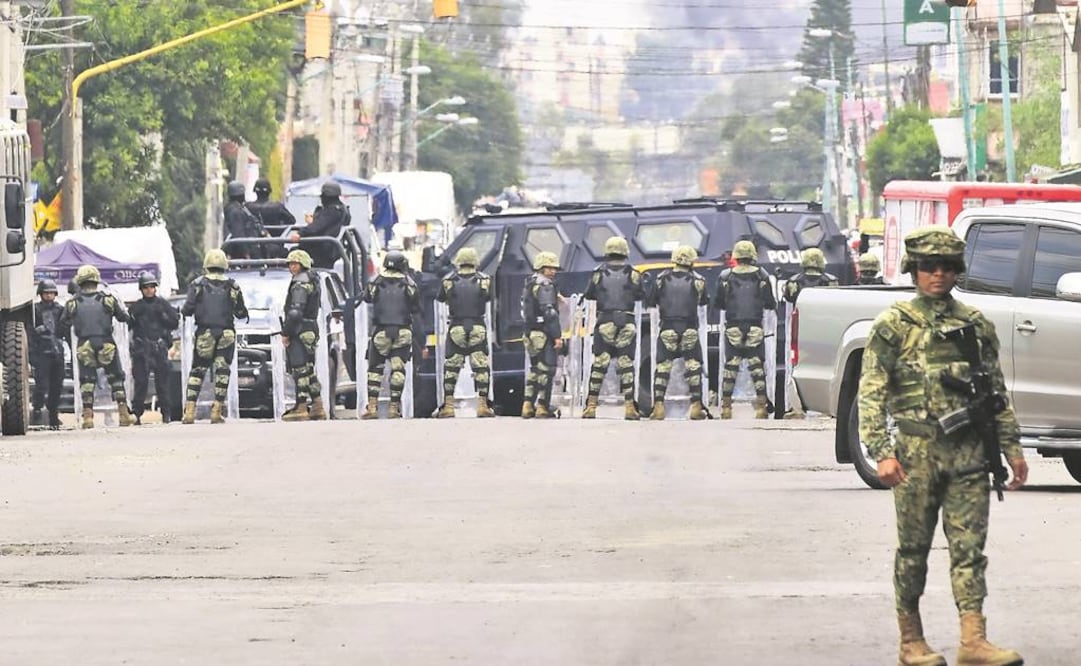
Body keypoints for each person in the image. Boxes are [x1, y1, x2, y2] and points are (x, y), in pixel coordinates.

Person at [858, 227, 1027, 666]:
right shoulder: (893, 325)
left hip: (969, 456)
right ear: (913, 271)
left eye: (947, 267)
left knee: (969, 550)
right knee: (913, 549)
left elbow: (995, 393)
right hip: (915, 456)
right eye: (929, 267)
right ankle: (910, 639)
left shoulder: (974, 325)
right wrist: (882, 451)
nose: (937, 274)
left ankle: (974, 640)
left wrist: (1012, 448)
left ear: (957, 272)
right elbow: (871, 392)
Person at [59, 264, 135, 429]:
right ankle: (124, 414)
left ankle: (88, 418)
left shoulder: (72, 303)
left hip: (84, 343)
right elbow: (124, 318)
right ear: (96, 279)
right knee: (116, 378)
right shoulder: (108, 299)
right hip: (106, 342)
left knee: (87, 381)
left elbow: (62, 323)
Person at [180, 249, 249, 425]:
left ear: (207, 265)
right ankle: (217, 411)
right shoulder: (233, 286)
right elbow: (241, 312)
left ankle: (189, 412)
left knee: (197, 370)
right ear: (224, 265)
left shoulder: (197, 284)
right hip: (226, 333)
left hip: (205, 333)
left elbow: (187, 309)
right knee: (223, 371)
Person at [581, 236, 645, 420]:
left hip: (605, 320)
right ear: (625, 251)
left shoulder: (598, 273)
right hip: (627, 320)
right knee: (626, 364)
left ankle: (591, 407)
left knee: (600, 364)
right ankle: (630, 408)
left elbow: (589, 294)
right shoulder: (633, 273)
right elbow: (640, 294)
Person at [714, 240, 776, 420]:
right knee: (757, 368)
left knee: (730, 368)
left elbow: (718, 303)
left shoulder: (725, 276)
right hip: (755, 326)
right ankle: (761, 408)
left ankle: (726, 408)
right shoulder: (762, 276)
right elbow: (770, 302)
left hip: (733, 326)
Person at [647, 245, 708, 421]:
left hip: (667, 328)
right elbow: (703, 301)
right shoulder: (699, 280)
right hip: (689, 328)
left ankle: (658, 407)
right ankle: (696, 407)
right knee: (693, 366)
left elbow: (651, 301)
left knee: (663, 367)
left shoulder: (661, 279)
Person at [435, 247, 495, 418]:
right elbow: (489, 298)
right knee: (481, 366)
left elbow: (440, 298)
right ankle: (482, 405)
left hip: (456, 326)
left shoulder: (448, 280)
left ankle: (448, 406)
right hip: (477, 325)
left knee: (452, 368)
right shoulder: (485, 280)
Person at [361, 250, 421, 419]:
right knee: (398, 369)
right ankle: (394, 407)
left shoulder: (376, 282)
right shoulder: (410, 283)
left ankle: (372, 407)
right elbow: (416, 306)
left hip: (381, 331)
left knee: (375, 369)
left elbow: (366, 298)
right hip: (403, 331)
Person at [280, 249, 326, 422]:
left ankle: (301, 406)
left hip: (300, 329)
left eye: (295, 264)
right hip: (311, 327)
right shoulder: (313, 279)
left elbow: (295, 312)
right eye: (290, 264)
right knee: (308, 369)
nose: (292, 267)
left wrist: (286, 333)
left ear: (303, 264)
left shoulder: (300, 282)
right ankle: (317, 405)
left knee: (299, 369)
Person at [128, 271, 180, 425]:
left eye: (152, 287)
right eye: (146, 287)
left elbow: (174, 322)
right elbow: (128, 325)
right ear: (141, 289)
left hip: (159, 348)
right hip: (142, 350)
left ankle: (166, 414)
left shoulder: (162, 304)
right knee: (141, 384)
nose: (149, 290)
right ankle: (136, 414)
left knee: (163, 384)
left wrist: (164, 316)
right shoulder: (137, 307)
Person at [520, 251, 563, 419]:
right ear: (541, 267)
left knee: (534, 369)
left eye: (554, 268)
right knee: (547, 370)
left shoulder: (530, 283)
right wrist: (557, 336)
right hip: (544, 333)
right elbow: (549, 313)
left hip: (530, 333)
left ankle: (527, 405)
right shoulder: (545, 285)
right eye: (549, 268)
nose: (553, 271)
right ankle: (542, 406)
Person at [29, 279, 66, 429]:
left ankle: (53, 416)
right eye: (46, 293)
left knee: (57, 386)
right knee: (41, 385)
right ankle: (37, 409)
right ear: (41, 294)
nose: (49, 295)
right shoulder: (34, 310)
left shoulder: (60, 309)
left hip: (57, 351)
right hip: (42, 352)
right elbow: (30, 333)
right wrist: (32, 355)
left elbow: (64, 329)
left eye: (51, 293)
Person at [289, 181, 350, 269]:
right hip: (328, 249)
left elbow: (317, 227)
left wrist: (300, 233)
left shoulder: (332, 211)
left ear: (326, 196)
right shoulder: (341, 209)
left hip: (321, 250)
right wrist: (313, 221)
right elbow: (324, 224)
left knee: (293, 255)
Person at [222, 180, 266, 259]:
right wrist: (246, 253)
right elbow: (239, 233)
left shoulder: (239, 208)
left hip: (246, 248)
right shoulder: (235, 212)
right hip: (244, 252)